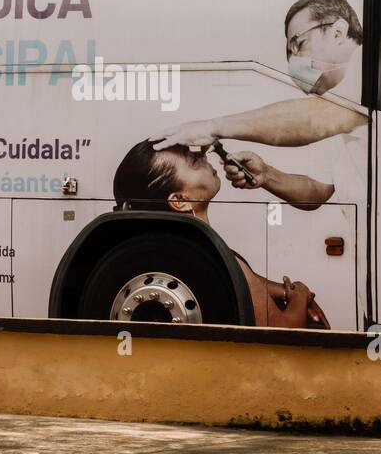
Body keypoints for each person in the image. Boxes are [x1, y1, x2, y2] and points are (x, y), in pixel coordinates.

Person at [152, 0, 366, 210]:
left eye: (298, 43)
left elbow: (317, 118)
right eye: (289, 53)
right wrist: (266, 175)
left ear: (338, 32)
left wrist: (211, 127)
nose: (294, 61)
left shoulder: (370, 75)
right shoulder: (333, 102)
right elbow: (319, 191)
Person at [112, 140, 329, 329]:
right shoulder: (215, 257)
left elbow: (238, 279)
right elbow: (285, 331)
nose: (204, 156)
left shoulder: (171, 252)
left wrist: (282, 291)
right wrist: (300, 294)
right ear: (180, 200)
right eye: (194, 162)